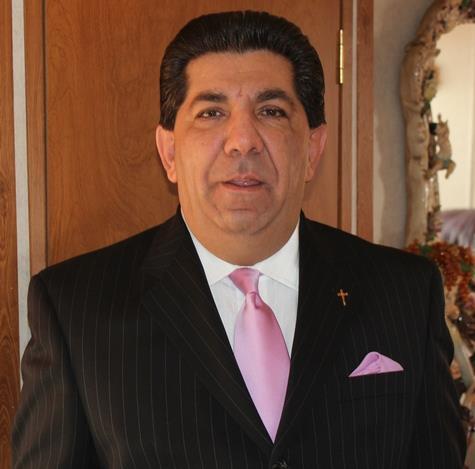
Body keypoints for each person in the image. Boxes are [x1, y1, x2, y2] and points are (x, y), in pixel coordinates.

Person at [12, 10, 465, 469]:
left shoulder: (404, 292)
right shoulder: (75, 310)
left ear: (313, 149)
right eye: (211, 112)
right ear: (169, 152)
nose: (242, 141)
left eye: (271, 111)